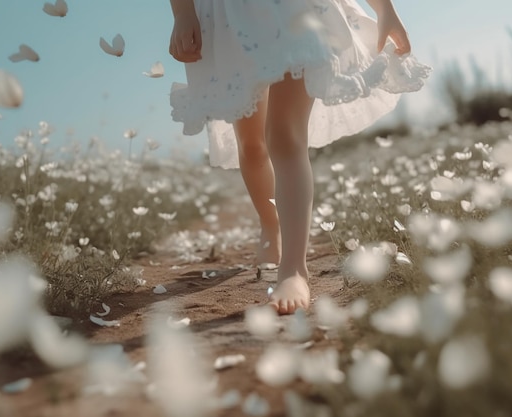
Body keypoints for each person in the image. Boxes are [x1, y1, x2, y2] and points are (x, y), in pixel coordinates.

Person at [168, 0, 430, 315]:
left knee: (284, 135)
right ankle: (270, 225)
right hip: (230, 17)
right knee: (251, 145)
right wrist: (183, 13)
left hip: (296, 9)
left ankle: (294, 269)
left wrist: (385, 8)